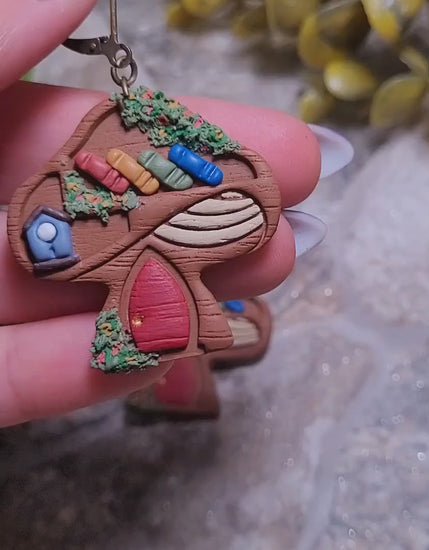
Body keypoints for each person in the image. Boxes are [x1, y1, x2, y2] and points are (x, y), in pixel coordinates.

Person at [0, 0, 321, 427]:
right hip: (138, 251)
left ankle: (182, 375)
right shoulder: (83, 175)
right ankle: (176, 379)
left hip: (180, 227)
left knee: (171, 299)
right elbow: (49, 224)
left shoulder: (181, 157)